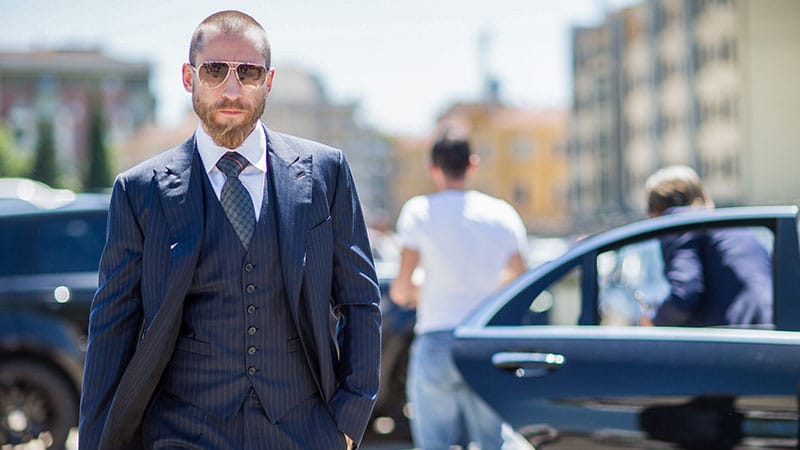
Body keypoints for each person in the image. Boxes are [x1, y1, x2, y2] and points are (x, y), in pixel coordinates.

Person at [78, 10, 380, 450]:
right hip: (182, 433)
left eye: (249, 72)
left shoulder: (324, 173)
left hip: (304, 432)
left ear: (268, 81)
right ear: (189, 77)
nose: (232, 89)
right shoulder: (140, 190)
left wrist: (348, 422)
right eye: (215, 70)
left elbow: (360, 301)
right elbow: (112, 329)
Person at [390, 131, 527, 450]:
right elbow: (518, 275)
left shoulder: (419, 211)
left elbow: (400, 289)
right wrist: (484, 294)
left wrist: (417, 293)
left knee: (435, 444)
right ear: (473, 165)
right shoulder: (502, 213)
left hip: (437, 339)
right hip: (484, 341)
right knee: (494, 443)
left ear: (433, 168)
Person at [643, 165, 772, 327]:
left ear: (655, 208)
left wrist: (654, 320)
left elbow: (685, 294)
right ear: (701, 194)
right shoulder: (732, 225)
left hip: (735, 336)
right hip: (770, 327)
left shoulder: (678, 225)